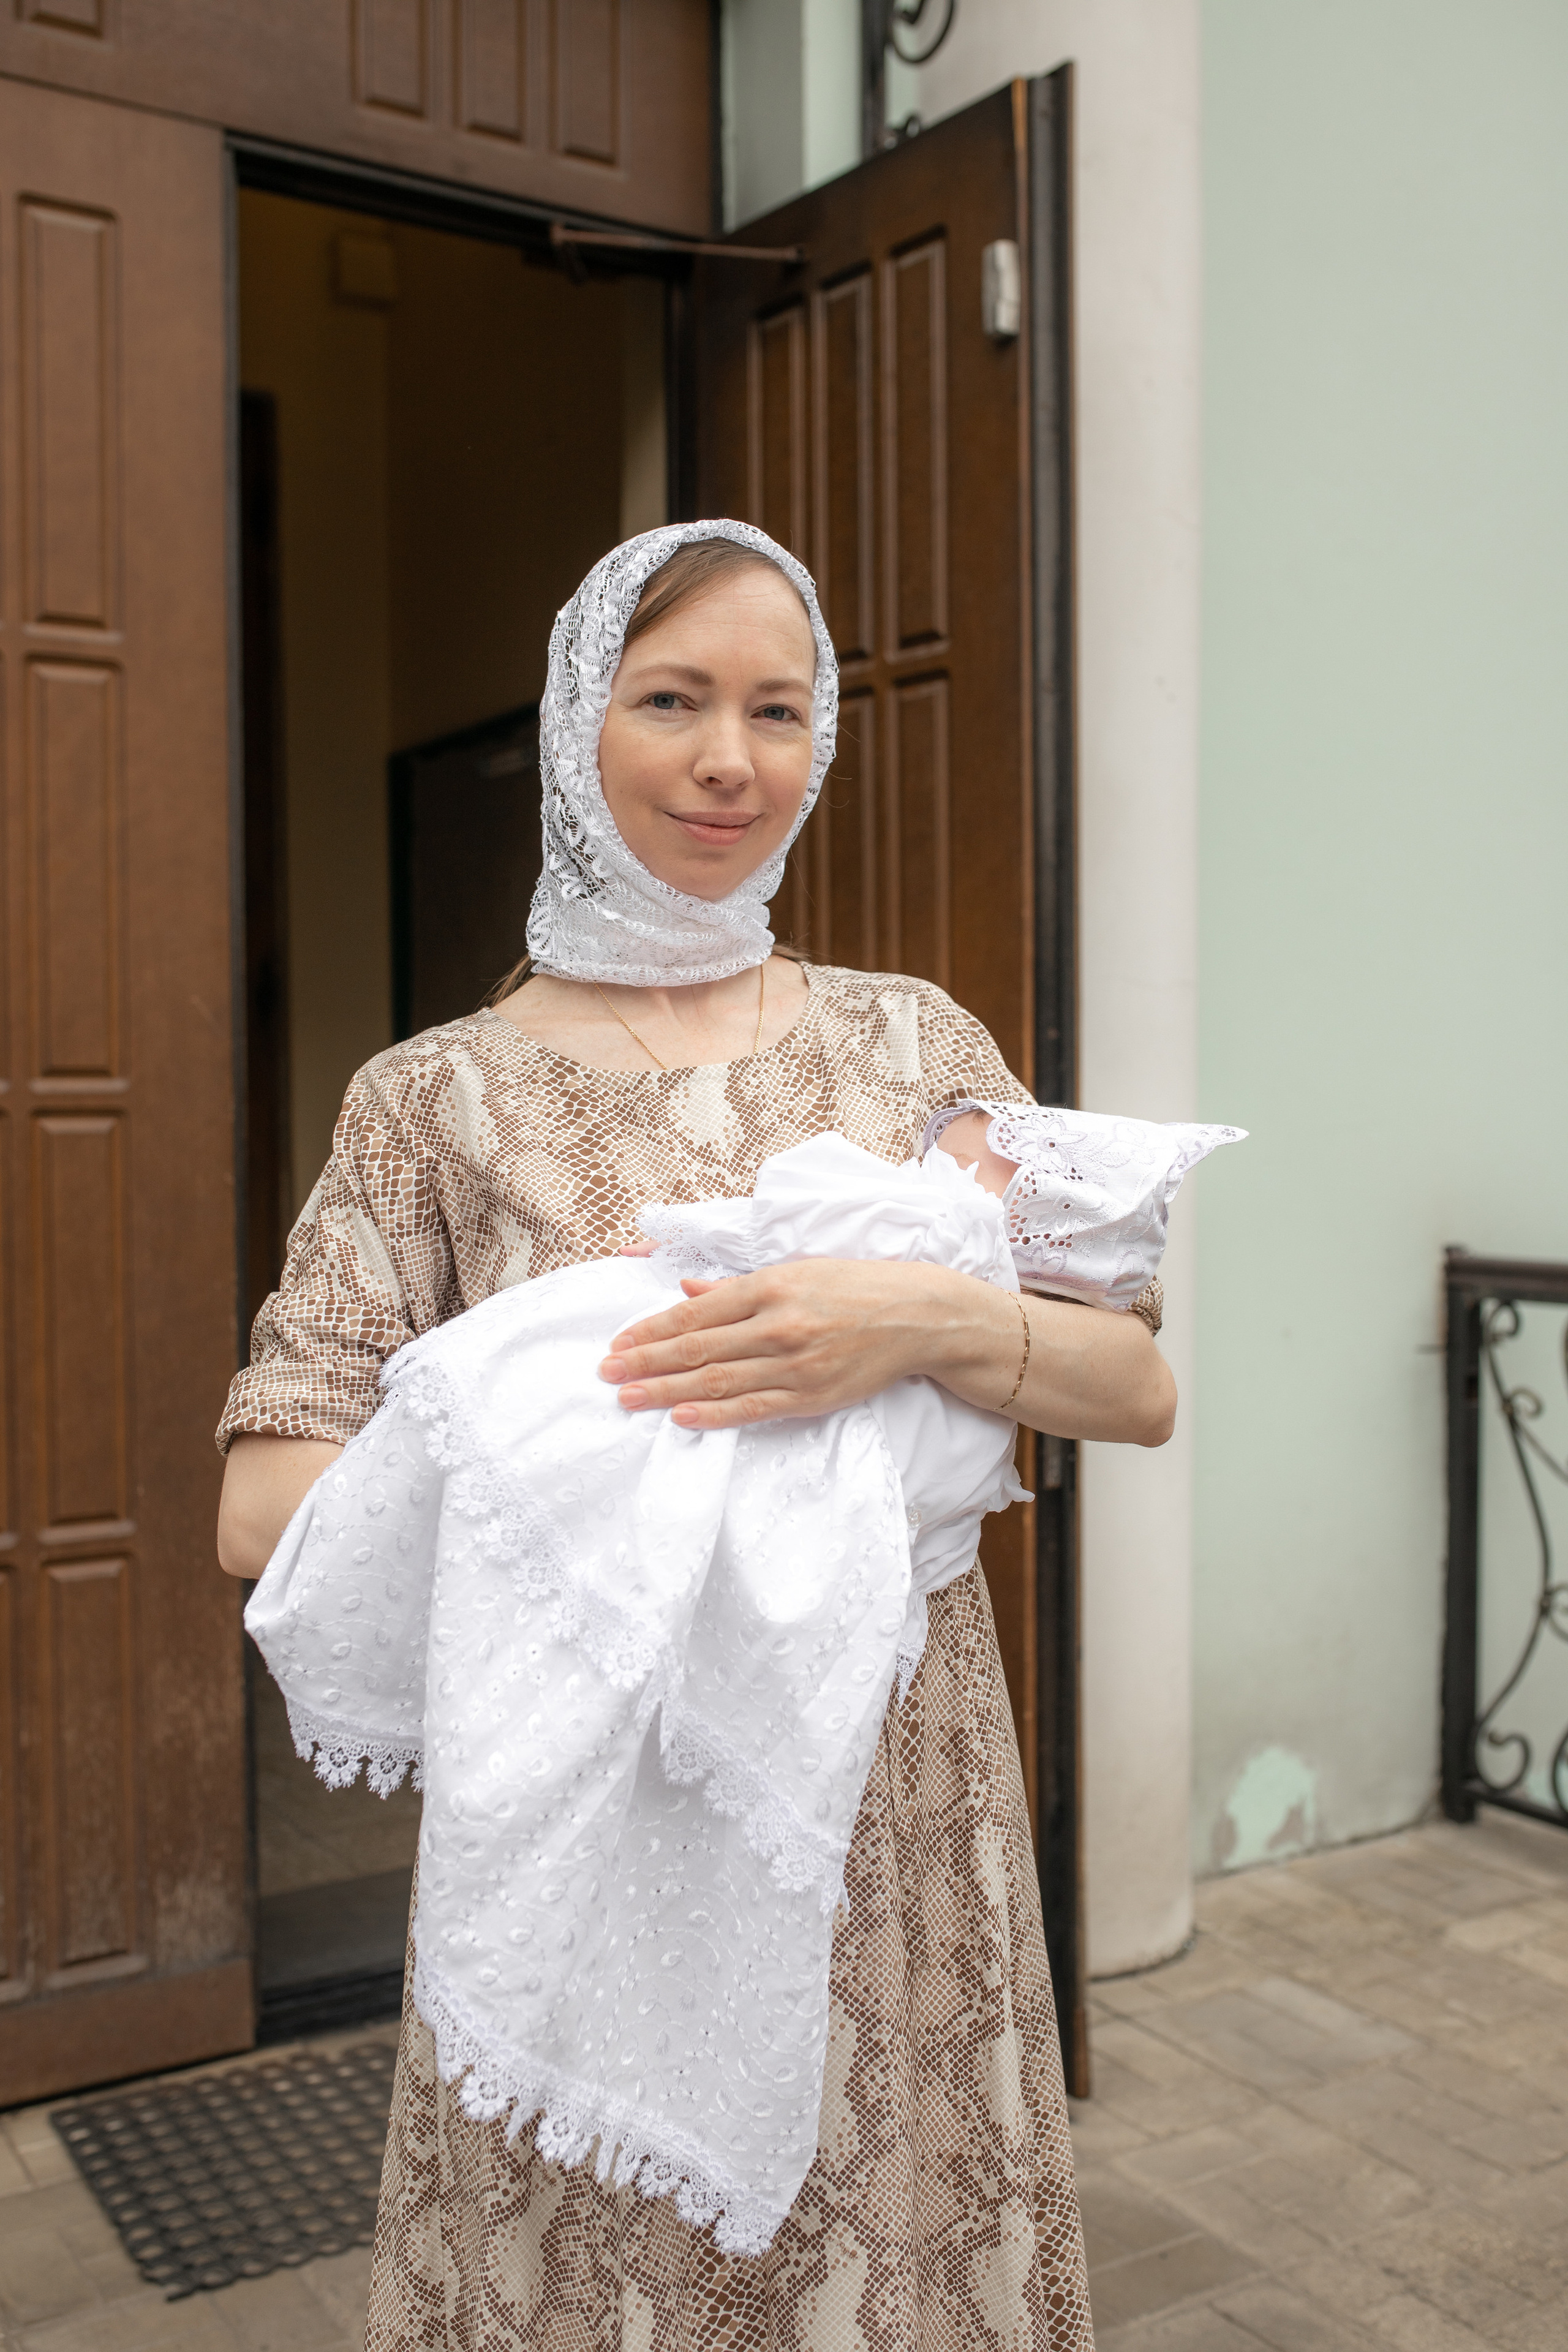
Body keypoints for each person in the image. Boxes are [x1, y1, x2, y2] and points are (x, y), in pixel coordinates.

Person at [217, 518, 1177, 2351]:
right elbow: (267, 1502)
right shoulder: (433, 1099)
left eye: (779, 709)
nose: (732, 760)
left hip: (894, 1813)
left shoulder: (917, 1051)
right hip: (599, 1828)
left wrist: (912, 1321)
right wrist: (598, 1436)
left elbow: (1131, 1384)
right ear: (582, 720)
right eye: (672, 700)